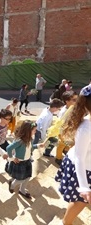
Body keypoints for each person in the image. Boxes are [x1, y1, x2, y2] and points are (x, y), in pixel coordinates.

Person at [55, 84, 91, 225]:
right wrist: (83, 186)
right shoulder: (86, 129)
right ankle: (66, 223)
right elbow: (80, 158)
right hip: (82, 169)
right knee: (80, 202)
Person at [6, 121, 44, 199]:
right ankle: (12, 185)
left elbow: (30, 148)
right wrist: (12, 158)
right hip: (19, 162)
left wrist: (38, 145)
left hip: (27, 161)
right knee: (20, 179)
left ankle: (22, 190)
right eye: (34, 130)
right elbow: (9, 148)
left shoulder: (29, 139)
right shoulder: (20, 141)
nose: (35, 131)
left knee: (28, 176)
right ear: (28, 131)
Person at [55, 91, 78, 165]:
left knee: (68, 143)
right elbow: (61, 123)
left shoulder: (73, 107)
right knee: (61, 144)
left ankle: (66, 150)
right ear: (67, 101)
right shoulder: (63, 112)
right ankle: (58, 158)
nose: (76, 101)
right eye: (74, 100)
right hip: (63, 131)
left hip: (70, 130)